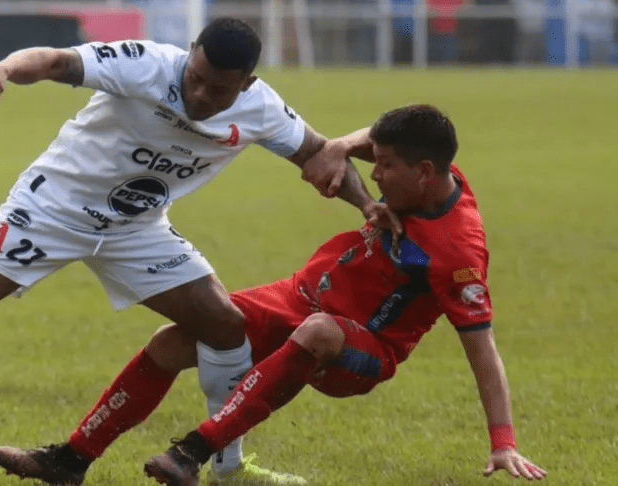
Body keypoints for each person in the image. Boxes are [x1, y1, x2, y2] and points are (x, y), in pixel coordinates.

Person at [0, 17, 396, 486]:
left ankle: (229, 465)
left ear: (246, 83)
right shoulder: (146, 64)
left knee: (224, 325)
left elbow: (321, 153)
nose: (199, 93)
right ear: (189, 54)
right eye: (195, 76)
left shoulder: (262, 109)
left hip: (136, 228)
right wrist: (4, 67)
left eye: (218, 89)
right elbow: (55, 60)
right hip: (51, 210)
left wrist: (367, 206)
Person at [138, 104, 548, 485]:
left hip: (365, 348)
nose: (375, 174)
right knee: (184, 334)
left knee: (318, 331)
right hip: (311, 299)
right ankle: (93, 449)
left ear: (423, 172)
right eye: (377, 160)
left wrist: (504, 442)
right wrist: (341, 146)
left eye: (385, 165)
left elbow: (483, 351)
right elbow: (375, 139)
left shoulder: (457, 255)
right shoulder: (429, 174)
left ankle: (192, 452)